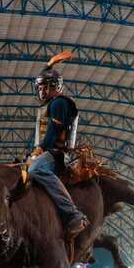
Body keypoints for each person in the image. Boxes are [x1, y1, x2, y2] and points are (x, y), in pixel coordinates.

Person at [27, 50, 89, 240]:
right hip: (48, 150)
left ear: (54, 87)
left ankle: (74, 215)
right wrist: (50, 63)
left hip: (57, 154)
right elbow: (45, 75)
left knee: (36, 170)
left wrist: (39, 149)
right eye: (39, 88)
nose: (41, 92)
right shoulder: (53, 102)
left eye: (44, 87)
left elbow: (54, 131)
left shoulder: (60, 103)